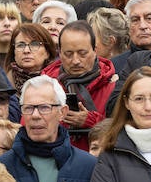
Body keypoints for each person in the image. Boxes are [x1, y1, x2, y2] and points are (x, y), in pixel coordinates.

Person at [44, 21, 118, 151]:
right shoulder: (45, 86)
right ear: (59, 53)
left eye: (82, 53)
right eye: (68, 54)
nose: (75, 61)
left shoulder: (113, 86)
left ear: (95, 51)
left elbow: (124, 130)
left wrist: (91, 121)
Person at [0, 23, 55, 96]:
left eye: (35, 44)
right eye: (20, 45)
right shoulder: (2, 85)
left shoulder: (58, 83)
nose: (26, 50)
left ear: (47, 52)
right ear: (14, 52)